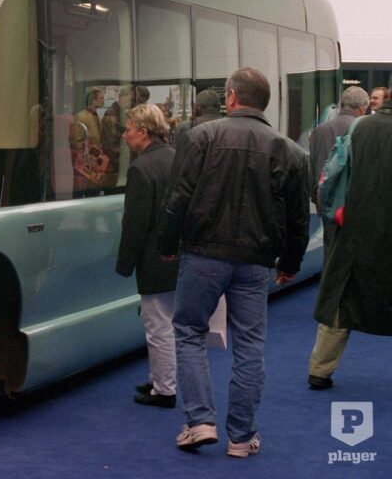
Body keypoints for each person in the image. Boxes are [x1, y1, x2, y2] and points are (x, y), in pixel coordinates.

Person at [159, 67, 309, 458]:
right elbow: (298, 219)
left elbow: (178, 198)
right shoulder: (290, 152)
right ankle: (241, 438)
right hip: (256, 262)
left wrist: (167, 244)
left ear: (230, 98)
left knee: (189, 332)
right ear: (264, 103)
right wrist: (290, 263)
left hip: (203, 255)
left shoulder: (201, 137)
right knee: (249, 347)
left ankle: (200, 422)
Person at [307, 90, 392, 390]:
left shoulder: (360, 127)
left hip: (354, 228)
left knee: (340, 300)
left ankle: (320, 369)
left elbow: (333, 174)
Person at [115, 103, 178, 408]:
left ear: (142, 132)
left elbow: (135, 223)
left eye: (127, 129)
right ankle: (157, 379)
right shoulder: (177, 158)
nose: (124, 135)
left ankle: (164, 389)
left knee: (157, 326)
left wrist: (125, 263)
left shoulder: (140, 169)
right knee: (166, 321)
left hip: (154, 258)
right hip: (178, 255)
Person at [307, 86, 368, 254]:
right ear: (363, 108)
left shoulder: (319, 131)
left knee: (330, 249)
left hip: (326, 202)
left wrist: (316, 200)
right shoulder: (364, 130)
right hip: (354, 204)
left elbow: (312, 168)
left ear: (342, 104)